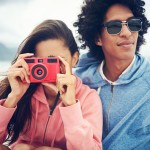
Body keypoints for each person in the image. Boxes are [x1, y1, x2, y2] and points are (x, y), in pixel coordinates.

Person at [0, 20, 103, 150]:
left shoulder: (88, 98)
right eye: (42, 62)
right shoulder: (25, 90)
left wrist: (71, 105)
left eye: (56, 61)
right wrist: (13, 97)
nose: (50, 69)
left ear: (75, 59)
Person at [73, 0, 150, 149]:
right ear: (97, 38)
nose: (127, 33)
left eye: (133, 24)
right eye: (114, 26)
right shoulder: (79, 82)